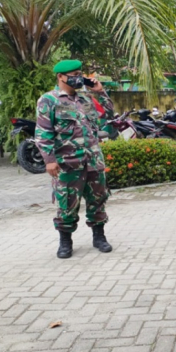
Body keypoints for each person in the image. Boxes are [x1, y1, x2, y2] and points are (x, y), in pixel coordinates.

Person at [35, 60, 114, 259]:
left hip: (93, 160)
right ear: (60, 77)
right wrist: (49, 160)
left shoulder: (86, 99)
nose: (78, 77)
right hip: (67, 164)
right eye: (73, 74)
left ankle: (99, 237)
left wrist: (99, 92)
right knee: (66, 203)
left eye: (80, 73)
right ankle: (65, 241)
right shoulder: (48, 100)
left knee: (98, 200)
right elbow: (43, 132)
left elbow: (109, 113)